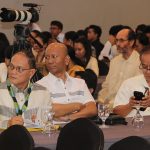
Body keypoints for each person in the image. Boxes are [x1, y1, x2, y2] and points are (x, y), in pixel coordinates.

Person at [37, 43, 97, 122]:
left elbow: (92, 109)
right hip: (55, 132)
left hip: (82, 129)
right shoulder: (40, 85)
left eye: (54, 57)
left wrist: (69, 117)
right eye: (47, 58)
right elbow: (49, 110)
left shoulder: (80, 83)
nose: (50, 61)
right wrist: (77, 106)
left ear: (66, 60)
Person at [0, 50, 52, 128]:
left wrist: (39, 122)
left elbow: (48, 123)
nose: (13, 72)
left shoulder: (43, 92)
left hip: (34, 139)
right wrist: (7, 124)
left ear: (31, 73)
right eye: (11, 67)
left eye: (19, 69)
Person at [98, 28, 141, 108]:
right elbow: (106, 86)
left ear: (131, 42)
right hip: (108, 106)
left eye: (121, 40)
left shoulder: (139, 62)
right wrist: (101, 101)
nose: (117, 44)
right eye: (116, 40)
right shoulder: (114, 61)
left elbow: (136, 91)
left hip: (125, 107)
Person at [113, 46, 150, 117]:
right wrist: (130, 105)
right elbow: (116, 112)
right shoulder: (129, 83)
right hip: (133, 125)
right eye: (144, 67)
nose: (148, 72)